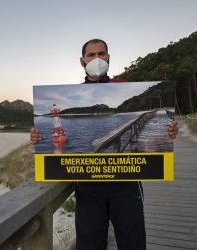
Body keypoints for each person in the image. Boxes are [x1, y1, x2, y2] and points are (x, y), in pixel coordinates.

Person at [30, 39, 178, 250]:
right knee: (90, 243)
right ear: (82, 61)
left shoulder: (124, 86)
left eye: (102, 53)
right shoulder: (75, 93)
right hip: (88, 188)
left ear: (109, 57)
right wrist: (38, 138)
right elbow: (60, 150)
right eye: (91, 55)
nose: (97, 59)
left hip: (126, 182)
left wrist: (169, 130)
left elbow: (166, 131)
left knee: (133, 242)